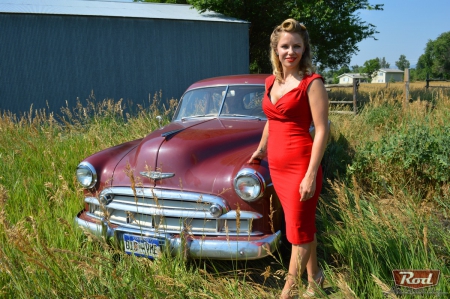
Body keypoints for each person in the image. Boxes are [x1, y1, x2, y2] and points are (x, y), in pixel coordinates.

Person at [249, 19, 329, 299]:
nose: (290, 51)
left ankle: (288, 292)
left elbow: (322, 130)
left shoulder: (312, 82)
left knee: (298, 231)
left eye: (297, 46)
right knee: (302, 226)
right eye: (285, 46)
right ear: (276, 49)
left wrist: (310, 174)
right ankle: (315, 279)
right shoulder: (272, 81)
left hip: (301, 165)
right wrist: (261, 148)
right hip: (278, 168)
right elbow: (273, 118)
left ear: (304, 49)